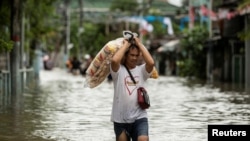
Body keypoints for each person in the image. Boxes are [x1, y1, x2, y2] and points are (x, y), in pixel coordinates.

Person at [110, 35, 155, 141]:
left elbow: (151, 63)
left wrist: (139, 43)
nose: (134, 58)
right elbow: (114, 61)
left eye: (136, 55)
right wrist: (126, 44)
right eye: (131, 55)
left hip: (139, 117)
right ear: (125, 55)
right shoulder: (118, 70)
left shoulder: (141, 71)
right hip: (120, 119)